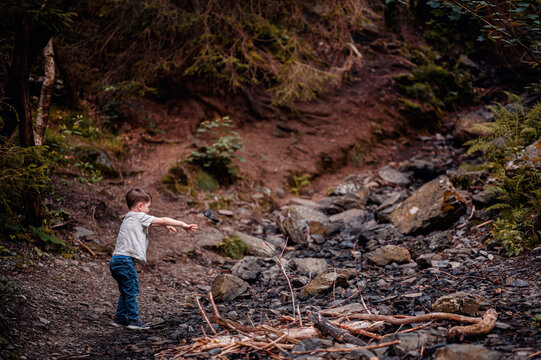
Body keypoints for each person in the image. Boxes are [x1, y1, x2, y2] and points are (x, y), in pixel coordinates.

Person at [109, 187, 198, 330]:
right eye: (148, 207)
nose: (149, 210)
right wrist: (183, 224)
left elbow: (156, 223)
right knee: (132, 290)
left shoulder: (129, 217)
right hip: (126, 261)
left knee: (125, 291)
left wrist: (165, 225)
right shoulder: (139, 216)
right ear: (140, 206)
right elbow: (162, 219)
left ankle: (119, 319)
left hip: (116, 261)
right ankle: (133, 320)